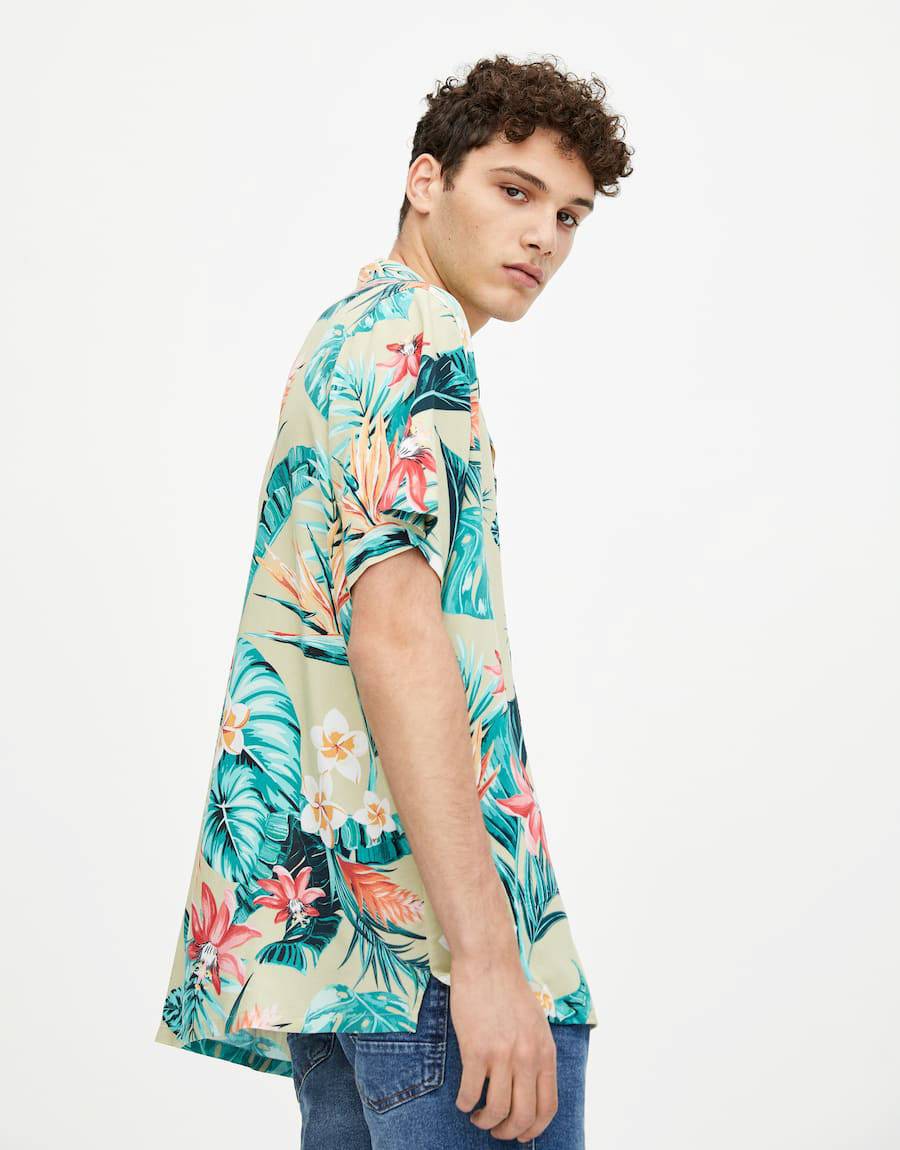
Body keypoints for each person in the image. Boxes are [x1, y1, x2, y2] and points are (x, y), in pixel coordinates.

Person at [154, 51, 632, 1148]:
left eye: (569, 216)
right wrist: (488, 959)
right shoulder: (418, 335)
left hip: (345, 964)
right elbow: (397, 638)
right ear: (426, 181)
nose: (543, 237)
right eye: (514, 190)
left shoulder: (345, 333)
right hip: (434, 965)